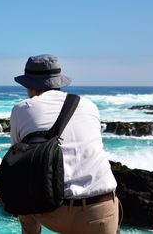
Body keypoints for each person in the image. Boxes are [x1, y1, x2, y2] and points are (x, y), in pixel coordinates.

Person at [10, 55, 120, 234]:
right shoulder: (89, 106)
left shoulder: (23, 109)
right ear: (59, 82)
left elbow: (17, 156)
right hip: (102, 210)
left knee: (23, 181)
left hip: (56, 212)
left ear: (29, 85)